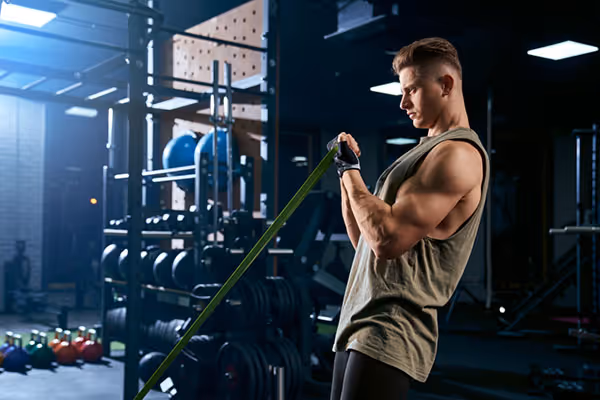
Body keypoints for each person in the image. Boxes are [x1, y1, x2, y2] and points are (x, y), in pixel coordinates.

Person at [327, 37, 490, 400]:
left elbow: (387, 241)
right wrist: (344, 174)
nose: (403, 103)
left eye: (412, 89)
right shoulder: (424, 153)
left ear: (445, 84)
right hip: (360, 317)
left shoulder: (457, 156)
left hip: (391, 324)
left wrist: (352, 173)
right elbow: (365, 245)